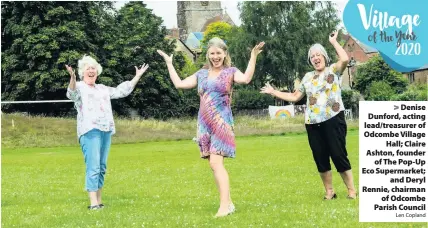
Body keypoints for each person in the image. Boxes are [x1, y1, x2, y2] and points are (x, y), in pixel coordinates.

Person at [157, 37, 264, 217]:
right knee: (213, 165)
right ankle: (228, 203)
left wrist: (253, 56)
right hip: (204, 124)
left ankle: (223, 207)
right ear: (208, 54)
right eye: (212, 53)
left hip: (222, 123)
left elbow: (245, 79)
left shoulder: (230, 71)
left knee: (216, 163)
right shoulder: (201, 74)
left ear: (225, 54)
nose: (215, 57)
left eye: (219, 53)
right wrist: (169, 63)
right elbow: (179, 84)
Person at [260, 30, 357, 200]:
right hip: (313, 123)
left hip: (333, 119)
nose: (316, 58)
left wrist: (334, 42)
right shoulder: (307, 77)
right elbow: (294, 96)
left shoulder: (334, 70)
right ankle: (329, 191)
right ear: (310, 60)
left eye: (319, 54)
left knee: (338, 154)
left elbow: (345, 59)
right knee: (320, 158)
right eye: (312, 56)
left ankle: (351, 190)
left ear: (325, 57)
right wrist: (273, 92)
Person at [65, 55, 149, 210]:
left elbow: (121, 91)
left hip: (106, 130)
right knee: (93, 166)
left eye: (93, 68)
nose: (91, 70)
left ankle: (99, 201)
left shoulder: (102, 88)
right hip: (89, 131)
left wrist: (137, 76)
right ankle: (93, 203)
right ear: (83, 72)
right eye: (88, 68)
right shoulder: (79, 87)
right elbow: (71, 93)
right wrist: (72, 76)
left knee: (102, 166)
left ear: (97, 71)